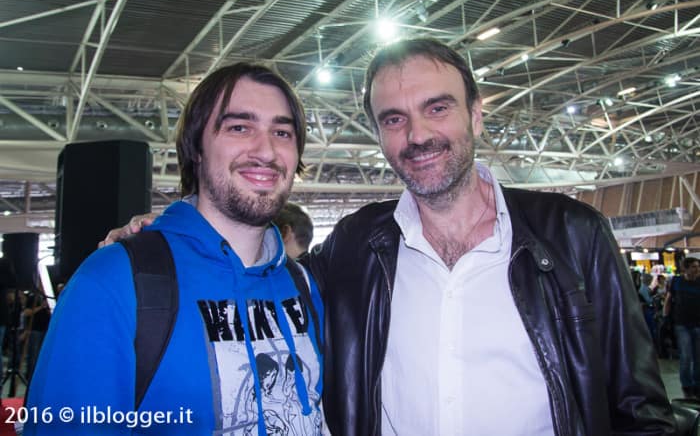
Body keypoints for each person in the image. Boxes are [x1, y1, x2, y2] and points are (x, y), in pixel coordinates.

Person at [102, 39, 675, 435]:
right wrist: (168, 233)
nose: (417, 135)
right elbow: (259, 271)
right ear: (379, 134)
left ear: (476, 115)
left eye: (437, 108)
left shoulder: (572, 234)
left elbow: (640, 410)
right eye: (394, 118)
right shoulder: (357, 245)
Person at [25, 62, 324, 436]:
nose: (266, 151)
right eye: (239, 127)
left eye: (282, 132)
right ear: (196, 148)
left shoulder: (302, 284)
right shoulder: (113, 281)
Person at [664, 257, 700, 399]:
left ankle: (697, 385)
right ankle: (687, 385)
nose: (697, 269)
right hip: (682, 324)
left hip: (698, 324)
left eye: (698, 267)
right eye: (694, 267)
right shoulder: (677, 281)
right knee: (686, 356)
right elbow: (668, 299)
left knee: (698, 357)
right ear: (686, 268)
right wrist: (665, 317)